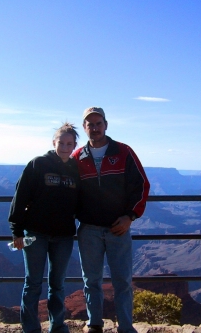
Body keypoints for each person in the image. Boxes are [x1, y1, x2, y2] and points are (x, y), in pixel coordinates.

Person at [71, 107, 150, 333]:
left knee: (123, 282)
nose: (94, 128)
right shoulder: (78, 157)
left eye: (98, 123)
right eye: (90, 125)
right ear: (85, 128)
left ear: (106, 125)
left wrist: (130, 216)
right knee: (91, 281)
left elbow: (141, 185)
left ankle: (126, 327)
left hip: (118, 228)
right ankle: (94, 324)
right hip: (89, 230)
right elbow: (69, 192)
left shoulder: (123, 152)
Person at [8, 122, 80, 333]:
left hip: (64, 236)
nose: (65, 147)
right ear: (53, 142)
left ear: (75, 145)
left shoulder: (75, 169)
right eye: (62, 143)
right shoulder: (38, 164)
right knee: (33, 284)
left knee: (57, 285)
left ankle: (57, 326)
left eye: (70, 144)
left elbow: (83, 199)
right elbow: (20, 197)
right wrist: (17, 231)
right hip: (36, 234)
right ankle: (30, 329)